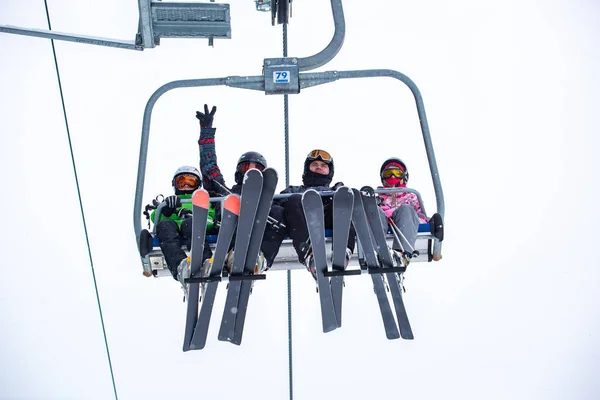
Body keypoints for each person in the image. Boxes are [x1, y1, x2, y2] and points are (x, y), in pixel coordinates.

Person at [196, 104, 286, 271]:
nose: (250, 173)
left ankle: (260, 259)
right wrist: (206, 133)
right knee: (233, 204)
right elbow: (209, 167)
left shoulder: (271, 204)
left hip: (260, 232)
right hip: (230, 229)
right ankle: (229, 254)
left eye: (256, 170)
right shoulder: (225, 192)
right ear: (238, 172)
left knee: (279, 212)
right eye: (246, 168)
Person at [278, 149, 355, 280]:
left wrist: (337, 195)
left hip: (329, 218)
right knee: (294, 199)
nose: (319, 167)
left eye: (323, 165)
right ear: (307, 169)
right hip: (304, 222)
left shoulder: (336, 190)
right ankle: (309, 254)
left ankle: (343, 251)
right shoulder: (293, 191)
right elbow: (278, 205)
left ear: (329, 171)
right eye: (314, 165)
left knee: (343, 201)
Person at [151, 166, 215, 288]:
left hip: (193, 230)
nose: (186, 185)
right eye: (181, 181)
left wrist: (194, 217)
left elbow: (211, 221)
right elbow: (155, 219)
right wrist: (166, 211)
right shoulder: (170, 202)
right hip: (173, 233)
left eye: (190, 181)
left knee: (190, 223)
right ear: (175, 185)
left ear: (198, 184)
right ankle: (181, 267)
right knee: (164, 226)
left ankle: (205, 262)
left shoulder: (203, 201)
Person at [376, 157, 427, 265]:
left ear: (404, 177)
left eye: (397, 173)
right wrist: (383, 212)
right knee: (375, 211)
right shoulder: (377, 198)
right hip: (383, 225)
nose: (393, 176)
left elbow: (422, 219)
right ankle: (377, 251)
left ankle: (400, 253)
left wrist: (395, 213)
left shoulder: (411, 196)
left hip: (404, 225)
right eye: (388, 173)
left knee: (406, 209)